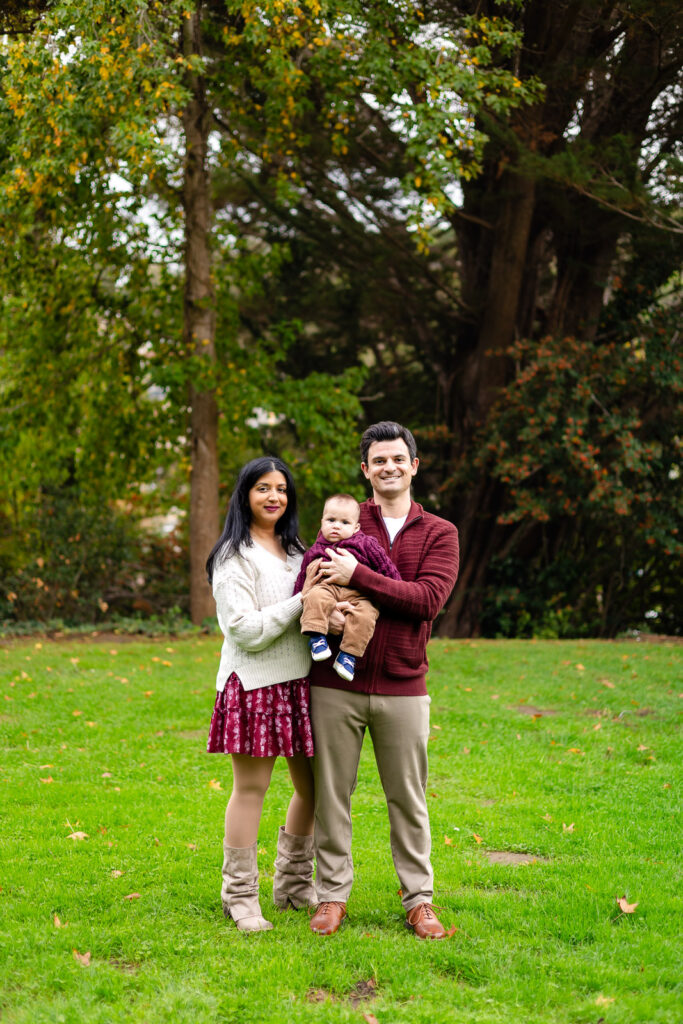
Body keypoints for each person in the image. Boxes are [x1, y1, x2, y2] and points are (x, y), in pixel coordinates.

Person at [307, 421, 459, 939]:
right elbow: (315, 579)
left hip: (403, 684)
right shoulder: (346, 520)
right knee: (332, 795)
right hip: (334, 682)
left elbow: (427, 601)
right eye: (379, 460)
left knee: (408, 798)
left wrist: (359, 578)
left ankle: (419, 900)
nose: (389, 467)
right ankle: (331, 896)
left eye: (399, 458)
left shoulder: (440, 532)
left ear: (413, 466)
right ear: (366, 469)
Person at [205, 456, 316, 932]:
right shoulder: (234, 556)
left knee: (315, 790)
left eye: (282, 489)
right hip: (253, 685)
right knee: (252, 789)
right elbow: (246, 630)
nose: (274, 497)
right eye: (263, 488)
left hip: (300, 685)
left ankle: (292, 886)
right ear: (244, 495)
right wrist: (301, 601)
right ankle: (240, 897)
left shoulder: (297, 550)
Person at [293, 493, 401, 682]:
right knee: (315, 596)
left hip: (358, 595)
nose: (336, 526)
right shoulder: (315, 550)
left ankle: (348, 656)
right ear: (322, 522)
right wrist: (300, 598)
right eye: (331, 520)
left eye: (344, 522)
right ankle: (316, 637)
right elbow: (303, 580)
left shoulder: (367, 545)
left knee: (366, 615)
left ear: (356, 527)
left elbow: (390, 574)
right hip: (327, 588)